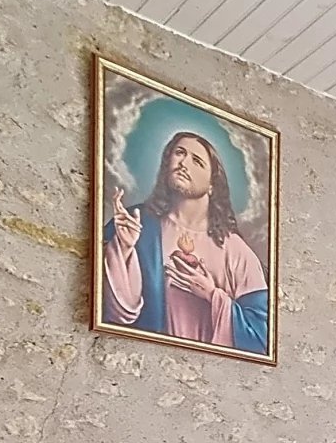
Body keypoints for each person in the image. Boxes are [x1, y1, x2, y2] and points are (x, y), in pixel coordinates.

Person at [101, 131, 270, 355]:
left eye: (197, 161)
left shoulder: (236, 250)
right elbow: (117, 315)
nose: (183, 162)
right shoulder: (136, 223)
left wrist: (212, 294)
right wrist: (123, 249)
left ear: (212, 185)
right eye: (179, 153)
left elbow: (261, 336)